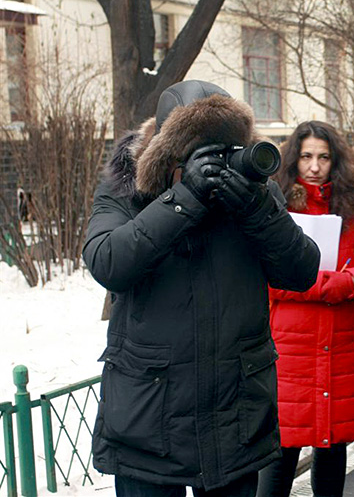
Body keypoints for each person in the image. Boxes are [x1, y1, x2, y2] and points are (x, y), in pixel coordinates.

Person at [82, 80, 321, 496]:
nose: (217, 164)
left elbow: (301, 272)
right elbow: (108, 262)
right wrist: (182, 199)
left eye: (225, 150)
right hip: (149, 421)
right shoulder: (127, 189)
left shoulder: (253, 193)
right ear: (168, 153)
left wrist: (257, 210)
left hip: (234, 418)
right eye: (202, 152)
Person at [257, 121, 354, 497]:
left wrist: (340, 284)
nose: (314, 166)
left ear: (336, 161)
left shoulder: (353, 209)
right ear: (293, 160)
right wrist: (321, 286)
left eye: (324, 157)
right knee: (282, 448)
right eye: (306, 157)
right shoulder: (276, 207)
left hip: (339, 345)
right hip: (290, 346)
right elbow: (262, 276)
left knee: (333, 445)